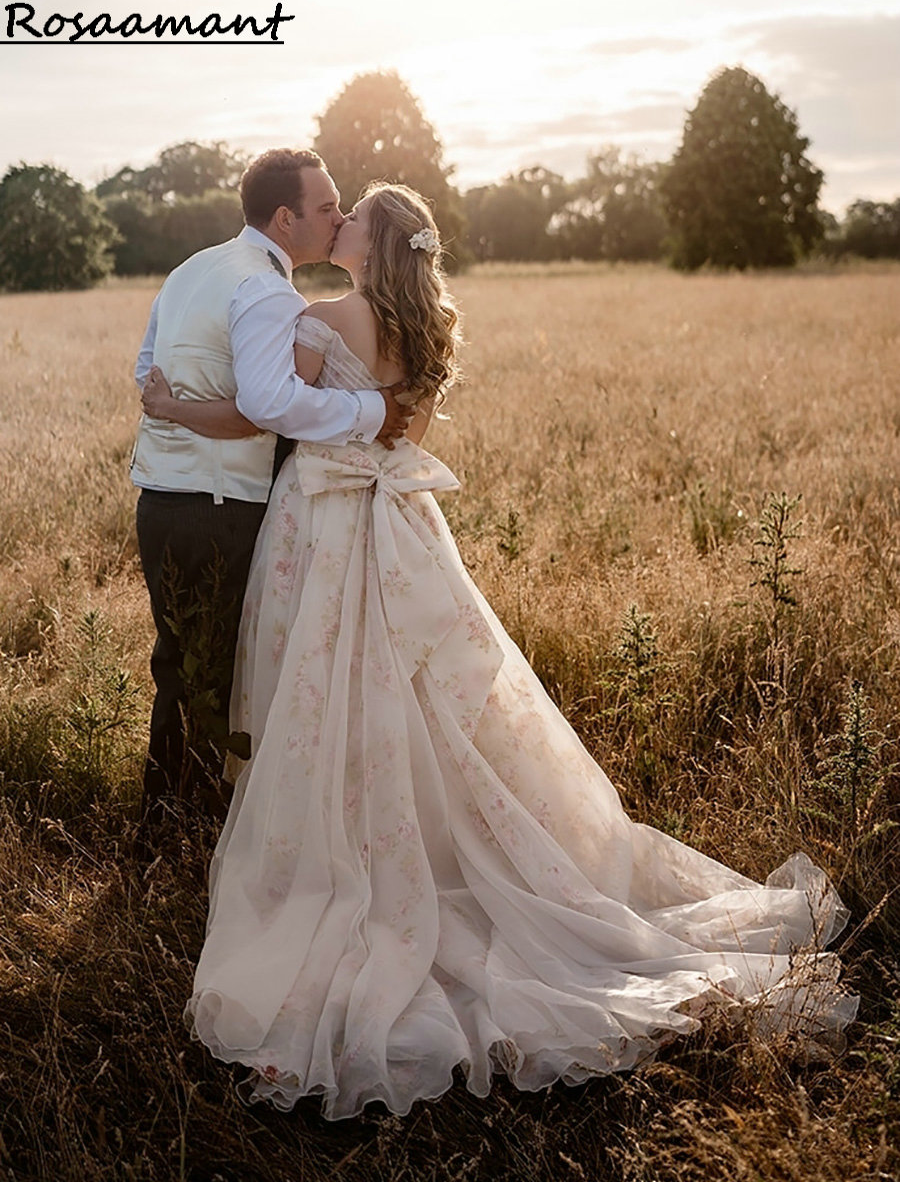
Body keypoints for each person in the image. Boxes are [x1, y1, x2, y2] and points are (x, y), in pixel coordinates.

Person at [146, 182, 856, 1122]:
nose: (339, 222)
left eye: (351, 216)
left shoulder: (322, 317)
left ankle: (350, 858)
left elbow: (267, 411)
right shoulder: (418, 326)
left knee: (326, 694)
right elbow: (398, 423)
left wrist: (172, 403)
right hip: (401, 524)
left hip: (324, 526)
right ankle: (427, 842)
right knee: (425, 701)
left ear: (373, 240)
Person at [130, 149, 411, 830]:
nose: (337, 216)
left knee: (179, 663)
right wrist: (372, 413)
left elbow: (147, 369)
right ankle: (189, 827)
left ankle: (167, 822)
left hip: (160, 498)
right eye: (325, 207)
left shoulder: (195, 267)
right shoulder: (267, 290)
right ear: (284, 219)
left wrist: (176, 414)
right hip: (221, 506)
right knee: (214, 672)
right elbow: (269, 402)